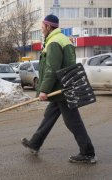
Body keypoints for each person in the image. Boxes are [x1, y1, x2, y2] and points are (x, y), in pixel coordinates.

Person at [21, 14, 96, 164]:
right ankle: (35, 143)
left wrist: (44, 90)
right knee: (49, 116)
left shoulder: (54, 42)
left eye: (42, 27)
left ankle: (88, 153)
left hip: (61, 89)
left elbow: (51, 68)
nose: (41, 30)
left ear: (48, 27)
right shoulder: (61, 39)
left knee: (73, 121)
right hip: (62, 86)